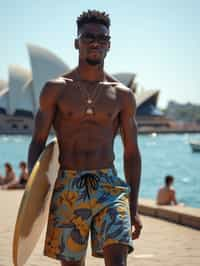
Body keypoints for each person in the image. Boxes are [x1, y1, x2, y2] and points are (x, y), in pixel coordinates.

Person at [28, 10, 142, 266]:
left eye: (102, 38)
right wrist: (35, 196)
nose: (95, 42)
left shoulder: (122, 95)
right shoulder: (55, 89)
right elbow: (38, 141)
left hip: (109, 185)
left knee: (118, 260)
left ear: (109, 44)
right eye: (88, 36)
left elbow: (132, 152)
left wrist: (133, 207)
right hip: (68, 185)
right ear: (76, 42)